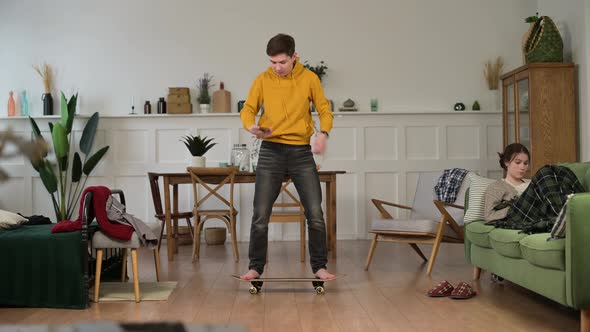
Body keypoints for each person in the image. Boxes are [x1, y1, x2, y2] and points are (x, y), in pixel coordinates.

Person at [239, 33, 335, 280]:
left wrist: (323, 134)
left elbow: (324, 109)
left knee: (315, 213)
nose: (277, 67)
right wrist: (252, 127)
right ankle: (255, 267)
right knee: (260, 214)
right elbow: (248, 110)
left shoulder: (309, 78)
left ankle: (319, 267)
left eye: (282, 62)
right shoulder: (262, 80)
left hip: (301, 152)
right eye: (273, 62)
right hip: (270, 151)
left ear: (295, 57)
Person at [484, 143, 531, 223]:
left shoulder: (531, 184)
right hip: (522, 220)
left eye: (525, 163)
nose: (522, 167)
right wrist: (517, 207)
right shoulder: (497, 187)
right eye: (518, 162)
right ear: (507, 162)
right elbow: (489, 216)